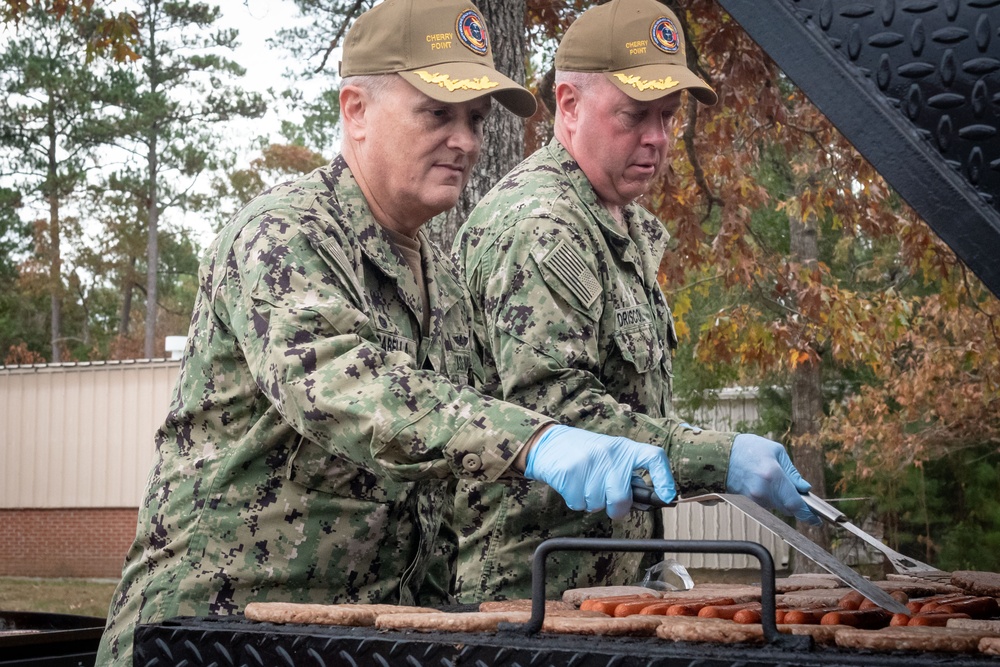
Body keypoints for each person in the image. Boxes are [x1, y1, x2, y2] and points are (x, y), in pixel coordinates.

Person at [95, 1, 681, 664]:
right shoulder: (285, 234)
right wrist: (539, 441)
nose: (465, 140)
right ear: (356, 111)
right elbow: (351, 390)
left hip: (357, 638)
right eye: (437, 113)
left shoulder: (443, 274)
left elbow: (466, 462)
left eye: (476, 119)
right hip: (209, 632)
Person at [452, 0, 819, 603]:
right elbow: (558, 419)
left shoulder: (614, 225)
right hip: (526, 596)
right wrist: (719, 456)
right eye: (635, 115)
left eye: (668, 117)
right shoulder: (541, 226)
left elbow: (630, 407)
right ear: (568, 105)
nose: (656, 138)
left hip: (601, 585)